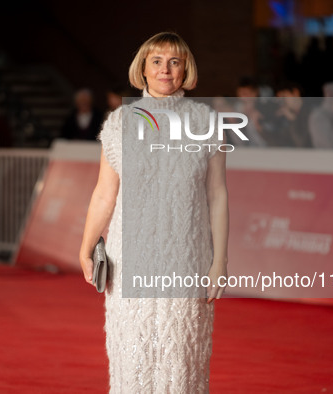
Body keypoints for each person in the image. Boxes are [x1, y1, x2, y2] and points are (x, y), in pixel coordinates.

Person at [79, 32, 229, 393]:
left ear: (186, 70)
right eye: (157, 61)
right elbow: (104, 194)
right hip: (130, 257)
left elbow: (218, 195)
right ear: (142, 69)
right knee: (133, 354)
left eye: (175, 62)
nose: (166, 69)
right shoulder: (119, 123)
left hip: (188, 257)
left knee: (182, 357)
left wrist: (219, 262)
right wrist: (85, 247)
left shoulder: (206, 122)